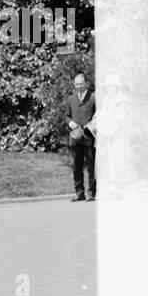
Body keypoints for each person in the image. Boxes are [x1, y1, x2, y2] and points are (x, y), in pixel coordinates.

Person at [65, 72, 96, 201]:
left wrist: (92, 124)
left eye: (81, 84)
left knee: (91, 167)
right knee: (76, 167)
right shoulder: (70, 99)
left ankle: (91, 193)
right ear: (74, 84)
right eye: (76, 84)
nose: (79, 86)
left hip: (89, 138)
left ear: (86, 83)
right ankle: (79, 193)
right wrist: (70, 122)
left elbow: (98, 114)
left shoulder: (93, 98)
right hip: (75, 138)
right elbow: (66, 116)